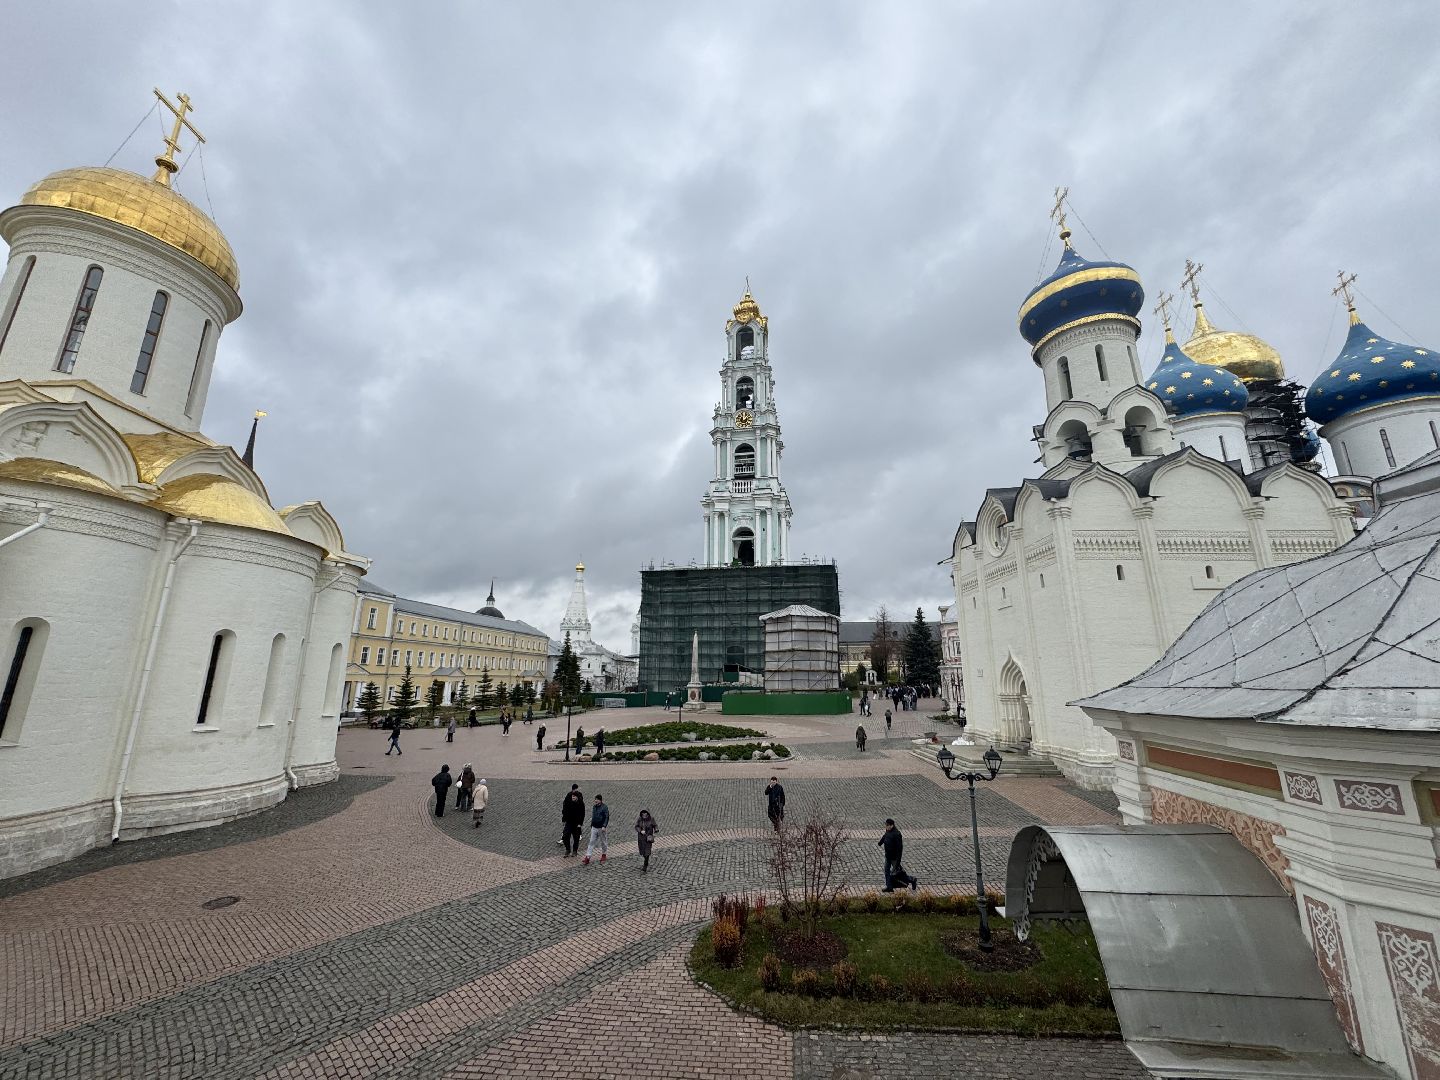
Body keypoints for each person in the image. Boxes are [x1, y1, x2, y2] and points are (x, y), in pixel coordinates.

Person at [879, 818, 918, 892]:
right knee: (886, 871)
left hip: (894, 858)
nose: (886, 827)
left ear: (892, 825)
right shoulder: (888, 831)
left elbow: (900, 849)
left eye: (887, 825)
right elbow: (885, 836)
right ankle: (889, 887)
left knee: (898, 874)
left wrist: (898, 861)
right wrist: (880, 842)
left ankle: (912, 879)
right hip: (888, 856)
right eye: (886, 825)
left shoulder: (897, 834)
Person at [583, 793, 610, 864]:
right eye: (595, 799)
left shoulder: (604, 807)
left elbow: (606, 817)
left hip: (601, 828)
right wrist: (592, 824)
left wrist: (604, 826)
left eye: (597, 799)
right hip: (594, 827)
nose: (596, 801)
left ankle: (604, 854)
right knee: (591, 841)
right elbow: (593, 816)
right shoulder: (594, 807)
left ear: (600, 800)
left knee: (603, 842)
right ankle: (588, 856)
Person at [561, 785, 586, 857]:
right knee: (565, 836)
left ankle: (575, 851)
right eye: (572, 796)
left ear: (577, 797)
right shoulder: (569, 802)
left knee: (576, 838)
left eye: (574, 797)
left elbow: (582, 814)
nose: (573, 798)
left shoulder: (581, 804)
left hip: (576, 823)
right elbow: (565, 810)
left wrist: (580, 823)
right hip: (569, 822)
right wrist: (564, 819)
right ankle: (568, 849)